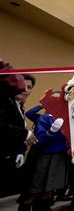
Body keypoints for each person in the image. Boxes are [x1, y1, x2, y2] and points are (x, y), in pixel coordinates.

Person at [18, 105, 68, 210]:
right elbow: (39, 140)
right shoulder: (45, 118)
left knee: (48, 190)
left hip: (59, 157)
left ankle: (42, 207)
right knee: (35, 189)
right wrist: (51, 131)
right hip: (45, 156)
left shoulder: (67, 118)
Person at [0, 69, 37, 198]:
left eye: (29, 87)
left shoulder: (19, 106)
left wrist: (21, 150)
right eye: (22, 86)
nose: (25, 90)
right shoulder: (5, 102)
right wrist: (26, 134)